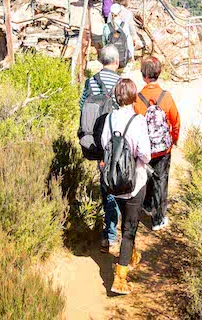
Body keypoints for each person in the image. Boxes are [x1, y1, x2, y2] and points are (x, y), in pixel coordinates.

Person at [101, 78, 151, 296]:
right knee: (129, 231)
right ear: (133, 96)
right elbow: (146, 155)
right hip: (134, 182)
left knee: (124, 221)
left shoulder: (109, 119)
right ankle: (120, 279)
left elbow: (105, 145)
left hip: (113, 182)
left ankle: (129, 255)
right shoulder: (138, 121)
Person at [79, 45, 123, 254]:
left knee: (105, 183)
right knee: (117, 182)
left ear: (101, 61)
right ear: (116, 62)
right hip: (115, 141)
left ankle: (109, 233)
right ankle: (113, 232)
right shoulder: (120, 83)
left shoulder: (91, 81)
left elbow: (82, 105)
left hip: (96, 139)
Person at [133, 56, 181, 232]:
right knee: (161, 180)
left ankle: (147, 205)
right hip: (163, 148)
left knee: (146, 178)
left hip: (145, 148)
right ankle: (158, 219)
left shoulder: (138, 99)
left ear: (143, 75)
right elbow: (175, 120)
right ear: (159, 73)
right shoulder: (166, 97)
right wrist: (174, 139)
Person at [104, 0, 137, 69]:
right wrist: (135, 38)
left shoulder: (111, 14)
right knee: (129, 38)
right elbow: (132, 30)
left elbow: (109, 28)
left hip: (113, 41)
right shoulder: (128, 13)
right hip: (125, 42)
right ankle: (131, 58)